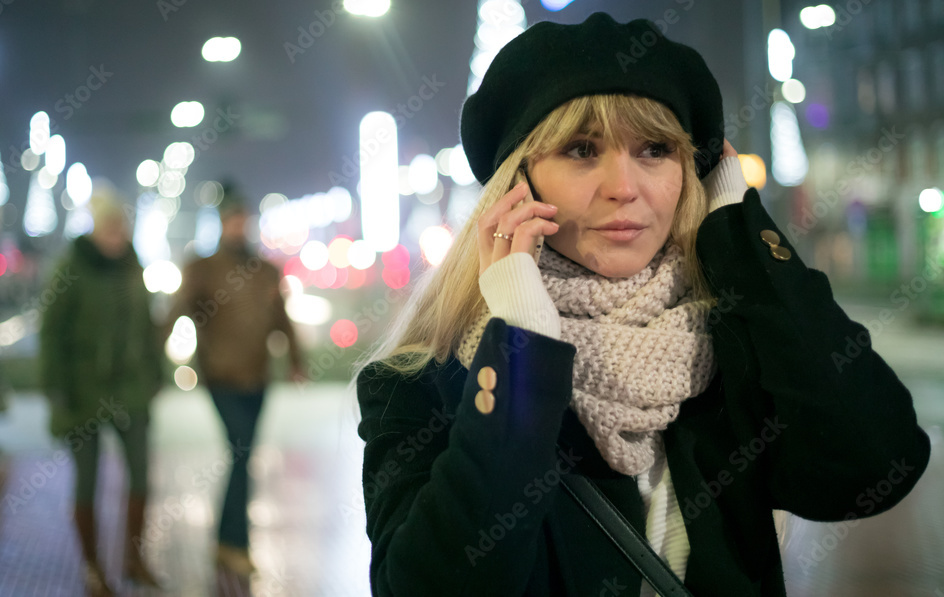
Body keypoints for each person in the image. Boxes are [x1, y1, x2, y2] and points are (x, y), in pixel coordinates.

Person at [354, 13, 930, 596]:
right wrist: (523, 343)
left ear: (690, 174)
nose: (624, 187)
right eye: (581, 150)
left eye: (655, 150)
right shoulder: (422, 384)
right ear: (519, 185)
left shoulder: (733, 349)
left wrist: (741, 238)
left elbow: (876, 468)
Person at [167, 184, 305, 576]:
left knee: (241, 454)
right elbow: (177, 310)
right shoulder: (202, 267)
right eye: (231, 219)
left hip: (257, 378)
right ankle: (234, 545)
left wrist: (297, 361)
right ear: (221, 223)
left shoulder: (264, 270)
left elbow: (282, 320)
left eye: (243, 219)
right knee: (242, 453)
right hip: (221, 378)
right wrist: (151, 351)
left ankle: (226, 542)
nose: (238, 226)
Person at [40, 188, 163, 596]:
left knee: (142, 475)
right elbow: (51, 333)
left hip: (131, 390)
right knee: (86, 482)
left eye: (121, 225)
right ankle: (92, 567)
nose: (116, 233)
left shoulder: (133, 265)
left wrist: (154, 375)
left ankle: (133, 558)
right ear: (95, 227)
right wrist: (57, 389)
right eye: (109, 225)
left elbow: (147, 325)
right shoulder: (71, 268)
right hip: (82, 392)